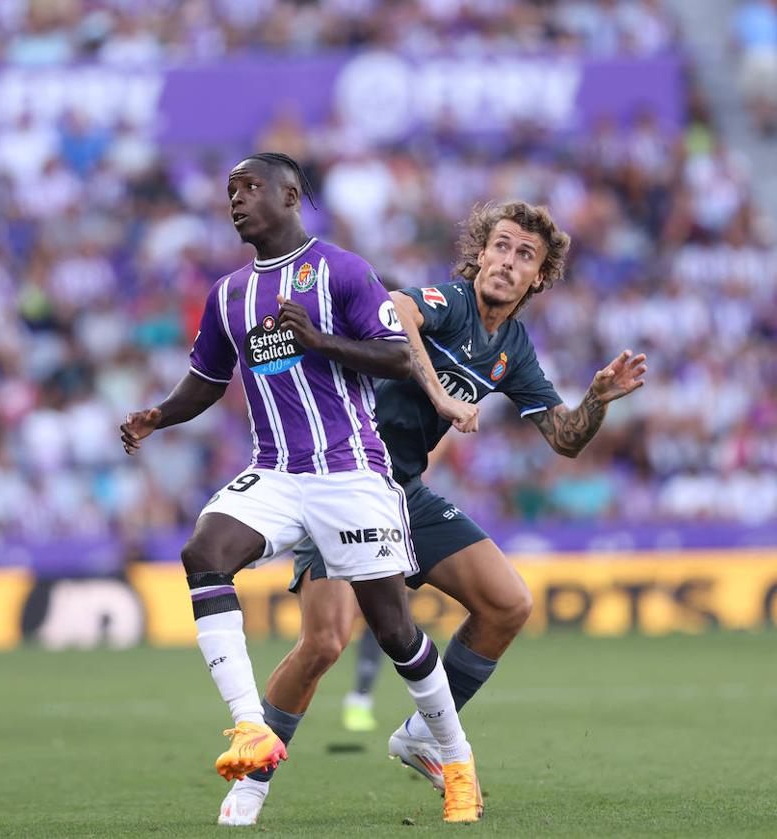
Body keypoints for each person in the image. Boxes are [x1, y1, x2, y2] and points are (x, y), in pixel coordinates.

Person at [224, 200, 647, 822]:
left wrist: (597, 398)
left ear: (539, 277)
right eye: (500, 247)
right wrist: (440, 392)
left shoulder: (514, 347)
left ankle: (423, 735)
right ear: (481, 252)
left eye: (524, 255)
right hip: (343, 477)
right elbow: (396, 310)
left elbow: (564, 438)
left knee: (509, 603)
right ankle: (252, 780)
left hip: (403, 492)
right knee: (324, 642)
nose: (507, 261)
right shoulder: (450, 301)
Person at [120, 153, 483, 825]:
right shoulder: (229, 294)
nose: (235, 200)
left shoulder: (342, 270)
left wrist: (318, 339)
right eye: (229, 191)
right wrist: (159, 414)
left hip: (351, 471)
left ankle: (457, 760)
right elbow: (207, 378)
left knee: (396, 630)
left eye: (249, 187)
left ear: (290, 195)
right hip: (279, 471)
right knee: (205, 552)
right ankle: (250, 729)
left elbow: (400, 355)